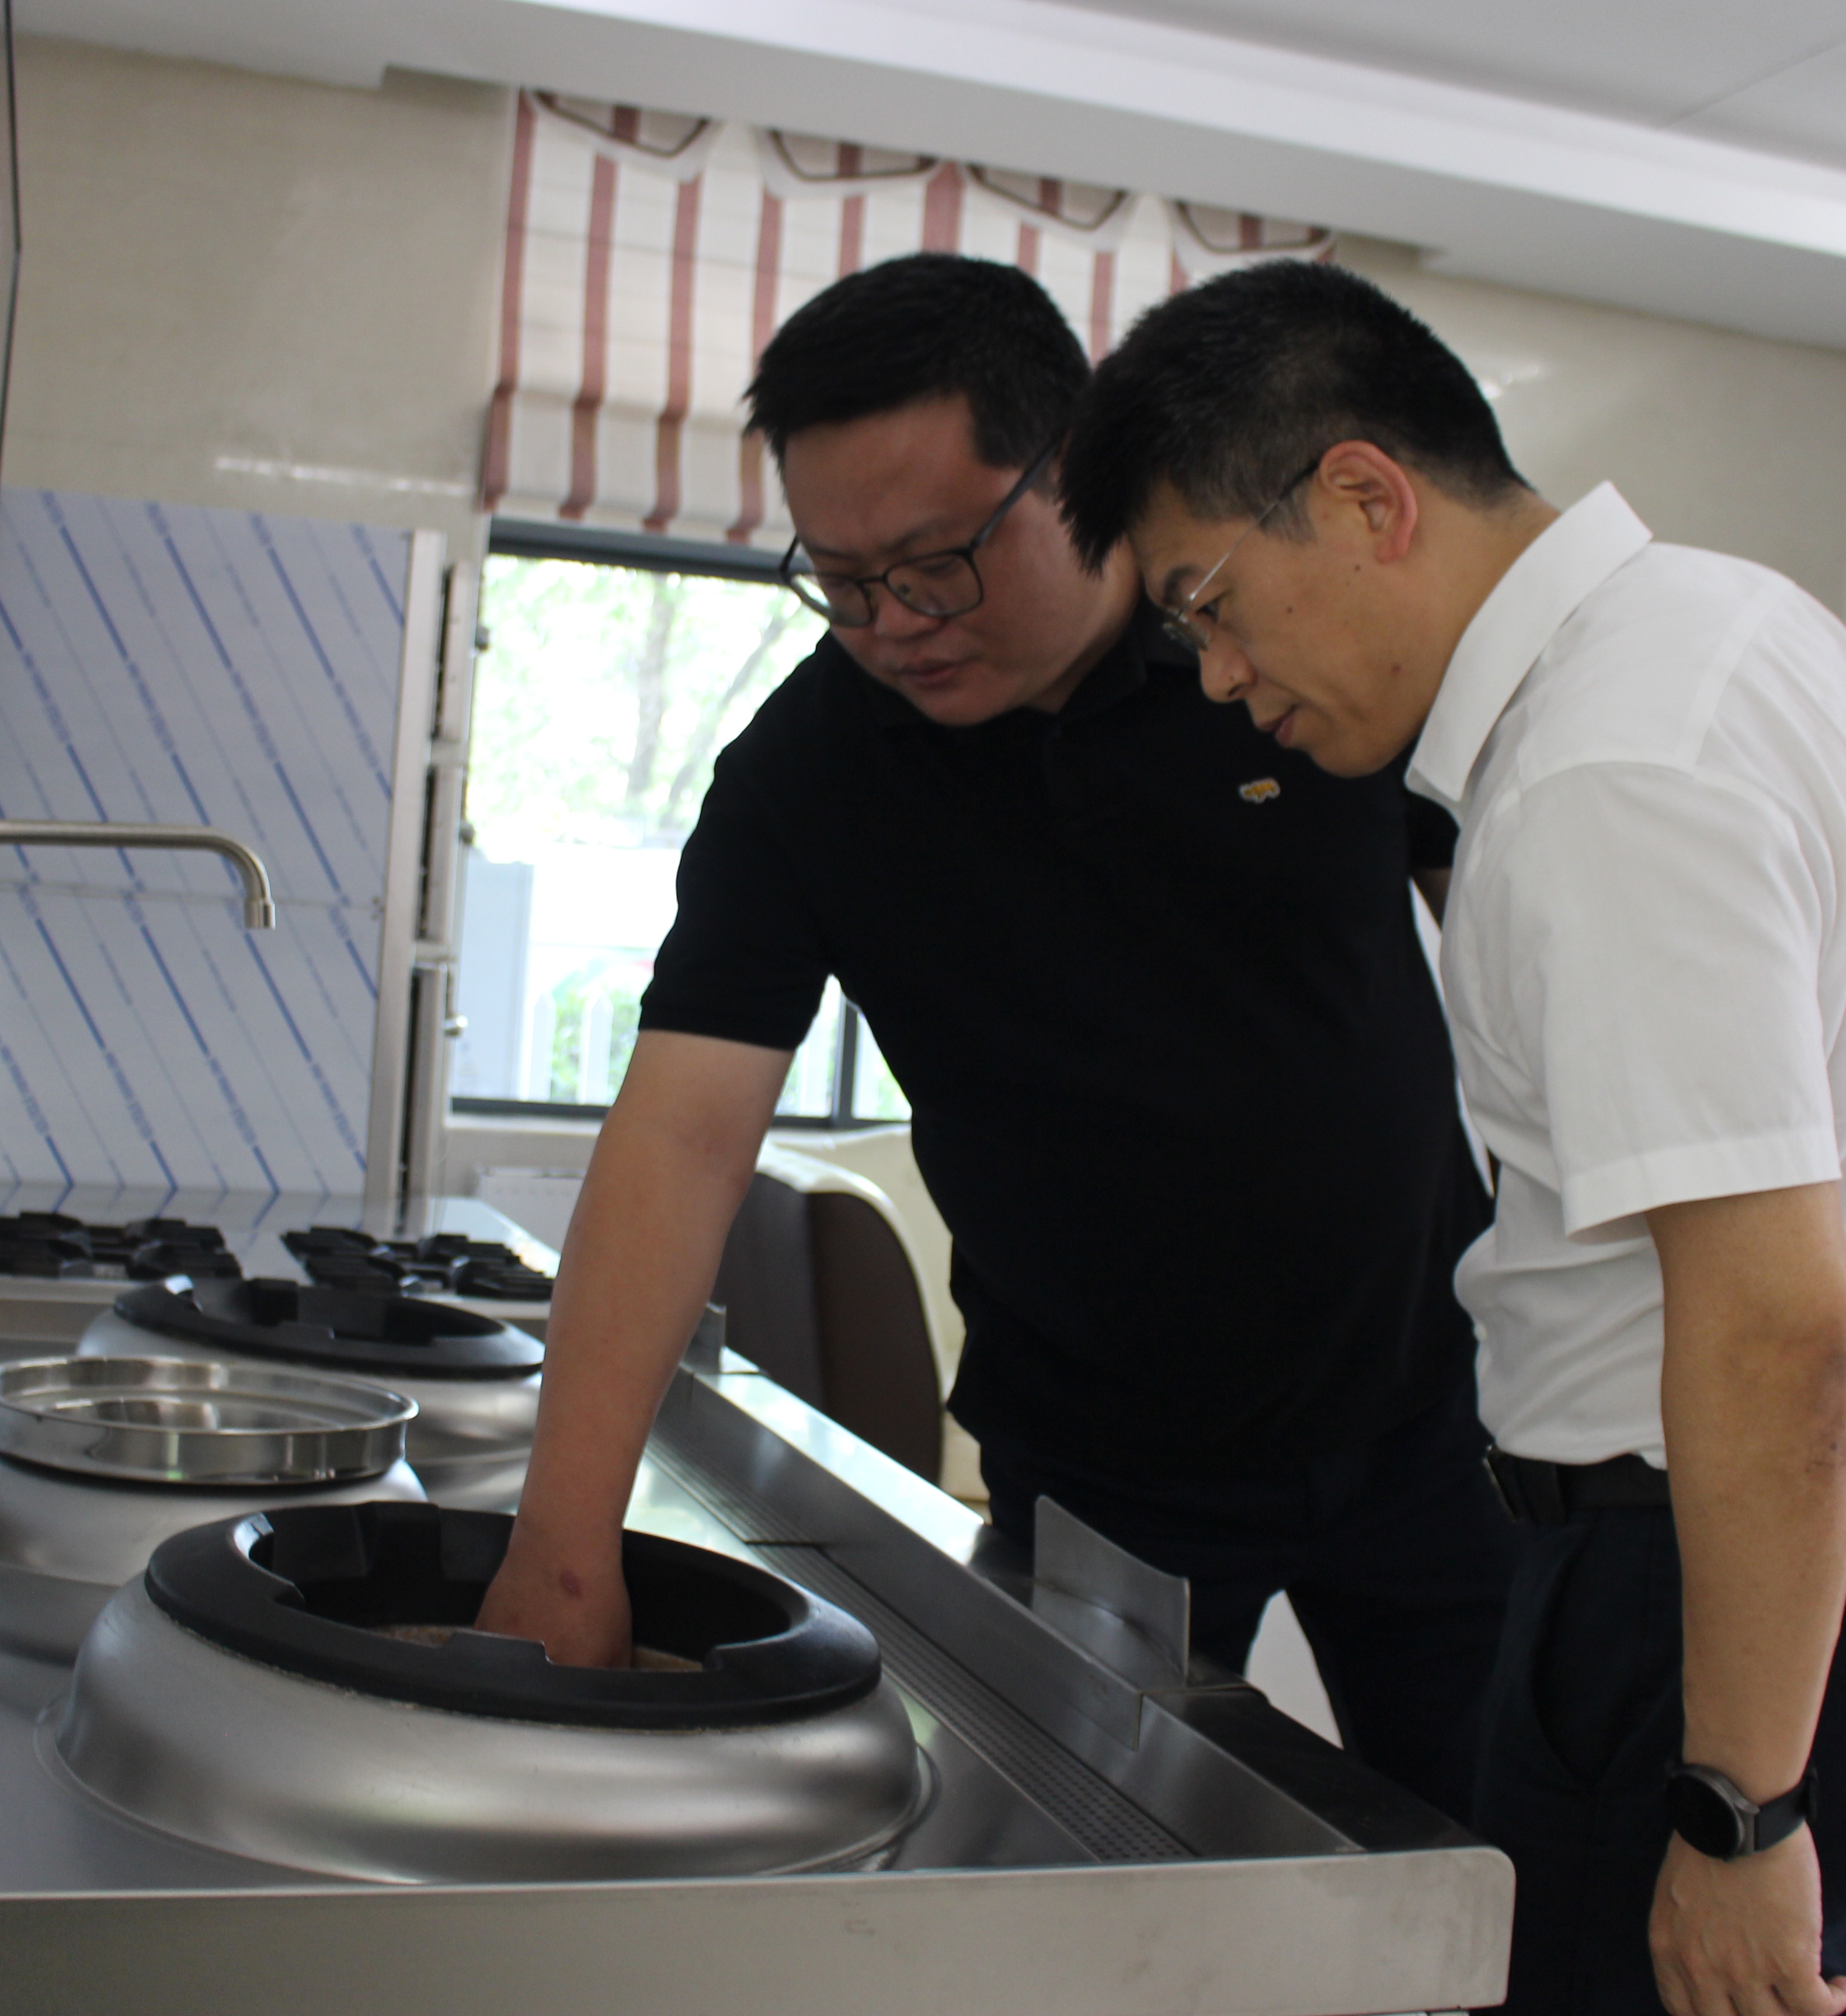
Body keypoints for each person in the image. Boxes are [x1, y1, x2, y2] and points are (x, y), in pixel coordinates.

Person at [1058, 259, 1846, 2016]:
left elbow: (1774, 1321)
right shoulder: (1725, 623)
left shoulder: (1606, 766)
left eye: (1214, 606)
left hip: (1721, 1564)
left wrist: (1740, 1813)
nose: (1218, 677)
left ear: (1367, 499)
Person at [474, 253, 1514, 1824]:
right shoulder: (809, 778)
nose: (894, 624)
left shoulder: (1280, 647)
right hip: (1100, 1476)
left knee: (1496, 1859)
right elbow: (682, 1138)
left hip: (1436, 1415)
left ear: (1076, 464)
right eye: (839, 580)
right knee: (1088, 1861)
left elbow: (1519, 963)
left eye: (937, 563)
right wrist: (563, 1546)